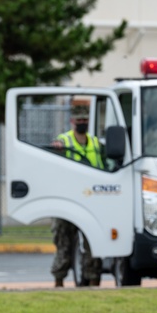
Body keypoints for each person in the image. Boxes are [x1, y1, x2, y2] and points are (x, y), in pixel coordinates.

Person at [50, 102, 105, 287]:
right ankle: (59, 281)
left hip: (91, 200)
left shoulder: (96, 143)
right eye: (79, 119)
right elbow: (54, 156)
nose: (82, 122)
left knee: (93, 241)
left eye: (85, 120)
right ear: (72, 121)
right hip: (68, 199)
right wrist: (56, 147)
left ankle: (93, 280)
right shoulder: (64, 141)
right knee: (63, 241)